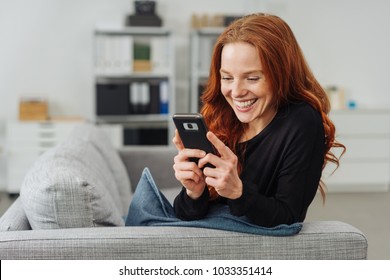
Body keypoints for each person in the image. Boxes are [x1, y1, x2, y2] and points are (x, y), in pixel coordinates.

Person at [171, 13, 345, 228]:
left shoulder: (302, 122)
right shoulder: (221, 114)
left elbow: (289, 217)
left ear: (282, 74)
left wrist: (238, 192)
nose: (236, 92)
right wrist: (194, 192)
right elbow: (184, 216)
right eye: (227, 77)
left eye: (252, 78)